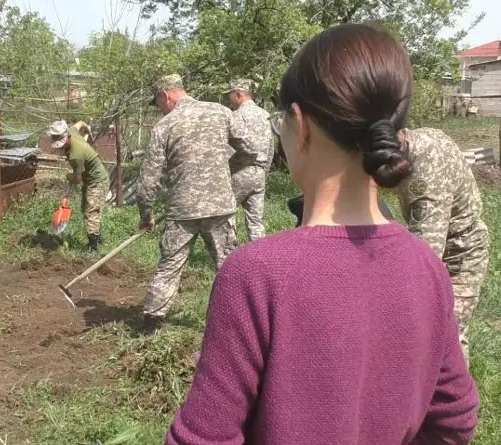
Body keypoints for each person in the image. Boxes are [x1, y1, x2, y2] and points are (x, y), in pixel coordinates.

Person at [165, 24, 479, 445]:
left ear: (300, 125)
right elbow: (454, 419)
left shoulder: (255, 275)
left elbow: (206, 437)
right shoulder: (427, 267)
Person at [137, 74, 251, 333]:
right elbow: (249, 149)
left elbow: (148, 180)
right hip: (219, 206)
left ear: (166, 95)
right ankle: (232, 325)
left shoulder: (165, 126)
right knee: (227, 265)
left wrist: (146, 214)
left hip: (182, 209)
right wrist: (224, 169)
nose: (159, 108)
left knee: (169, 266)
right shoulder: (220, 112)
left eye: (158, 102)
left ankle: (151, 324)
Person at [395, 127, 490, 363]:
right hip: (442, 242)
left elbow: (426, 256)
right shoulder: (422, 138)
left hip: (460, 255)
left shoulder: (427, 173)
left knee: (449, 338)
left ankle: (454, 388)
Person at [223, 78, 275, 241]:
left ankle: (229, 253)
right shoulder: (265, 115)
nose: (228, 99)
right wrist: (263, 170)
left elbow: (230, 147)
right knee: (256, 222)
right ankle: (259, 254)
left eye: (230, 95)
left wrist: (225, 169)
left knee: (227, 215)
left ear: (238, 94)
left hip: (239, 172)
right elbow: (271, 147)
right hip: (259, 173)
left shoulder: (236, 116)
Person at [48, 120, 110, 252]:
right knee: (86, 209)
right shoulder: (72, 130)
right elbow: (80, 123)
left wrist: (69, 176)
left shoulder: (76, 155)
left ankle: (93, 247)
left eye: (62, 143)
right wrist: (87, 128)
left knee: (91, 212)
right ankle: (99, 236)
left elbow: (77, 180)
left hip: (97, 181)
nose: (60, 147)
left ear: (68, 136)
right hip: (89, 179)